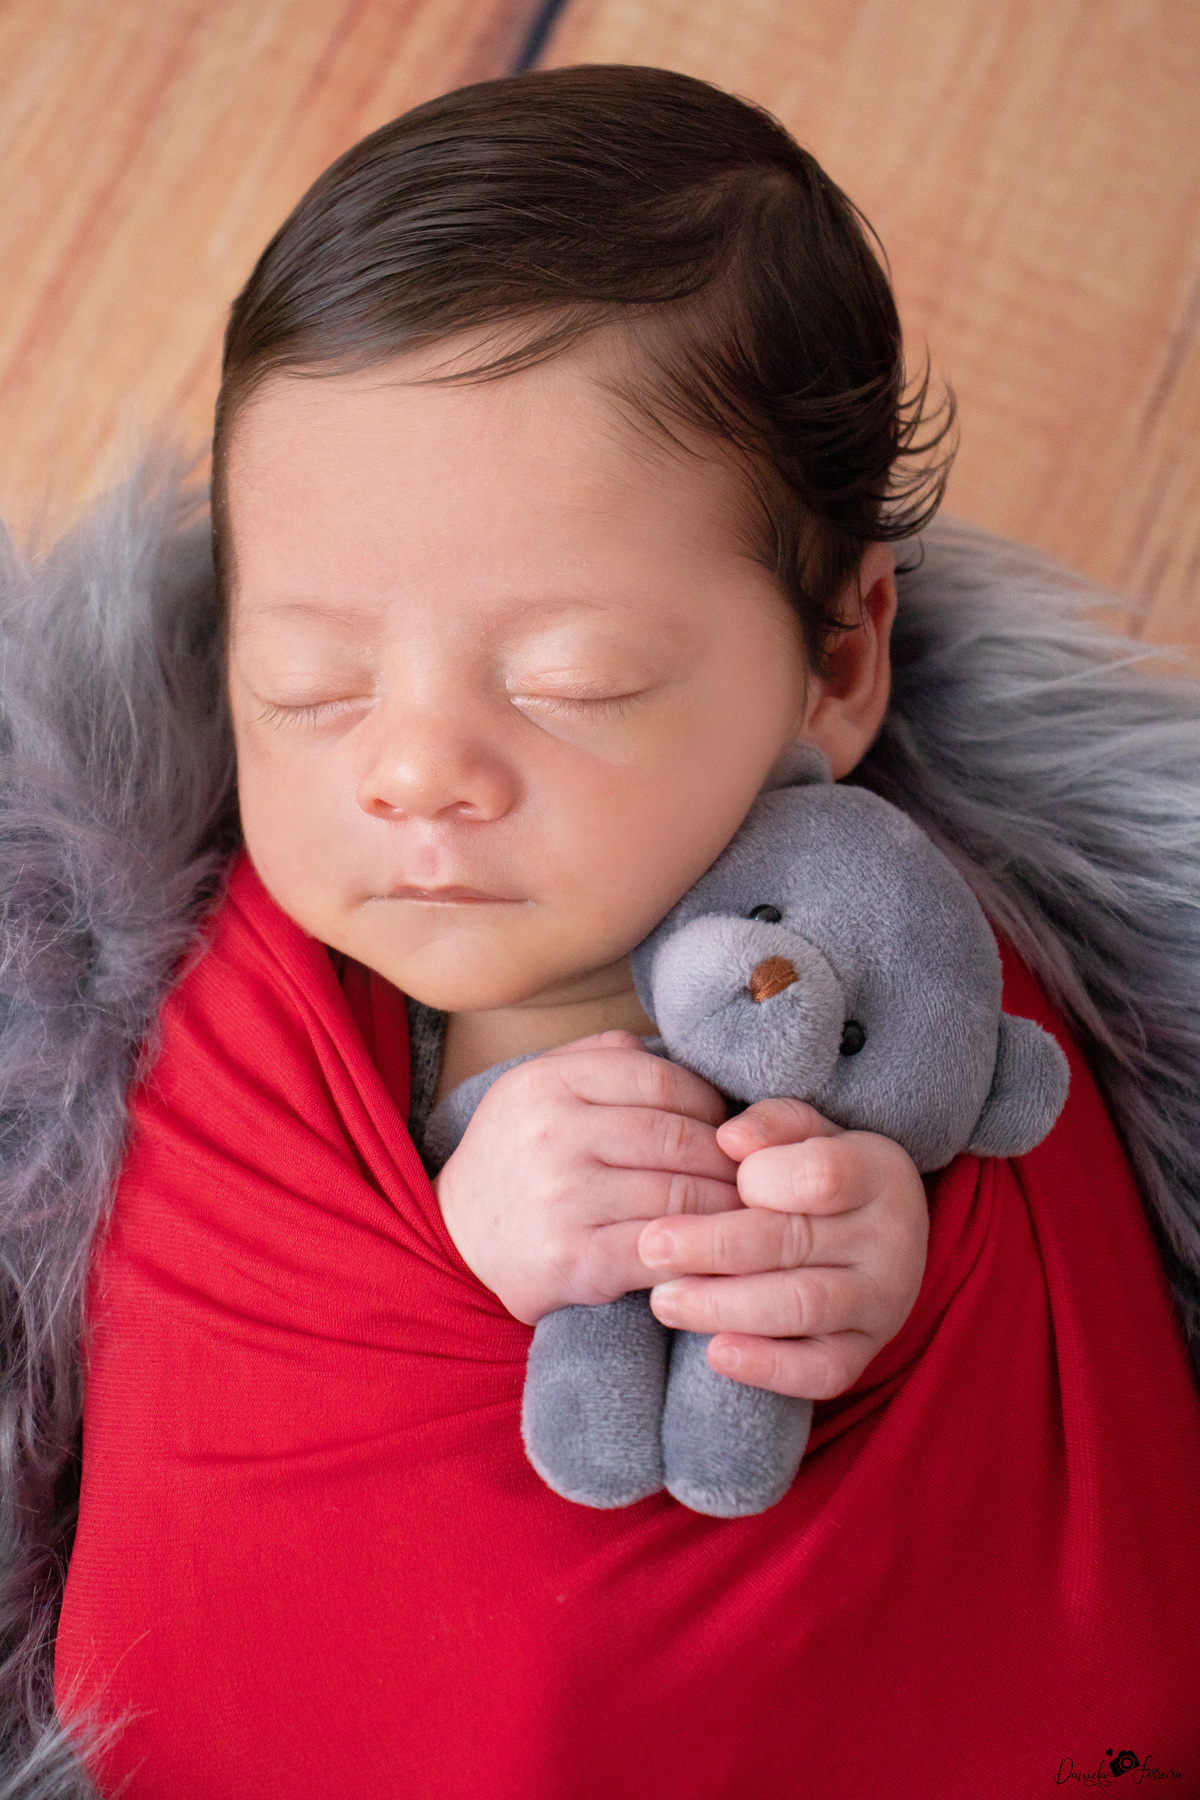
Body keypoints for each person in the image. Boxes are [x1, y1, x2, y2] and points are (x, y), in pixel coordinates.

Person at [4, 64, 1196, 1799]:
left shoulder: (900, 963)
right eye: (311, 686)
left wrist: (865, 1265)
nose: (414, 767)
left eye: (573, 681)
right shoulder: (230, 1025)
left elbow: (1023, 1342)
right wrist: (469, 1231)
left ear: (837, 662)